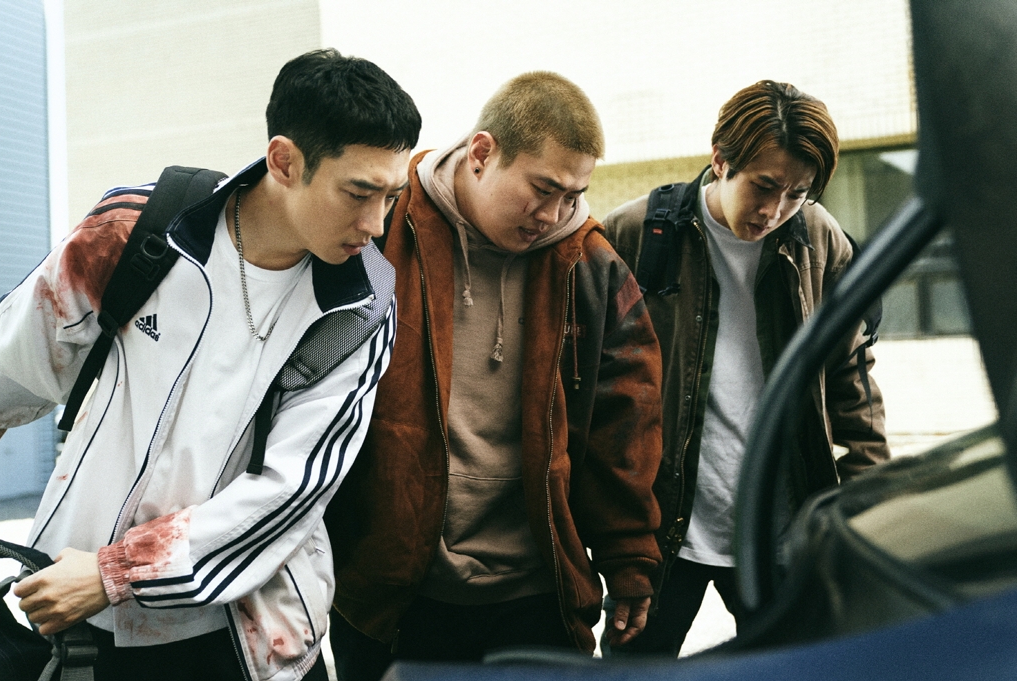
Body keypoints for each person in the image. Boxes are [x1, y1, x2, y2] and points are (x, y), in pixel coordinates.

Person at [0, 48, 420, 681]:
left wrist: (117, 572)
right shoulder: (139, 230)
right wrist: (96, 579)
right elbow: (10, 368)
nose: (376, 223)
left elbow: (292, 488)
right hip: (75, 611)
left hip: (242, 639)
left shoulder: (361, 304)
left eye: (391, 196)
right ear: (284, 161)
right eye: (358, 193)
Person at [324, 71, 664, 680]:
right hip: (392, 590)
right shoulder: (385, 225)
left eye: (573, 194)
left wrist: (629, 556)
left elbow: (626, 424)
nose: (553, 213)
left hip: (537, 595)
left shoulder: (588, 264)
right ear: (482, 153)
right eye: (543, 188)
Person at [602, 80, 890, 655]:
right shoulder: (636, 234)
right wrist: (616, 536)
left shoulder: (819, 241)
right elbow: (595, 394)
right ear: (720, 160)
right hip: (663, 531)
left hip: (781, 529)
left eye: (796, 194)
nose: (774, 211)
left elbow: (851, 381)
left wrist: (867, 513)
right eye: (763, 186)